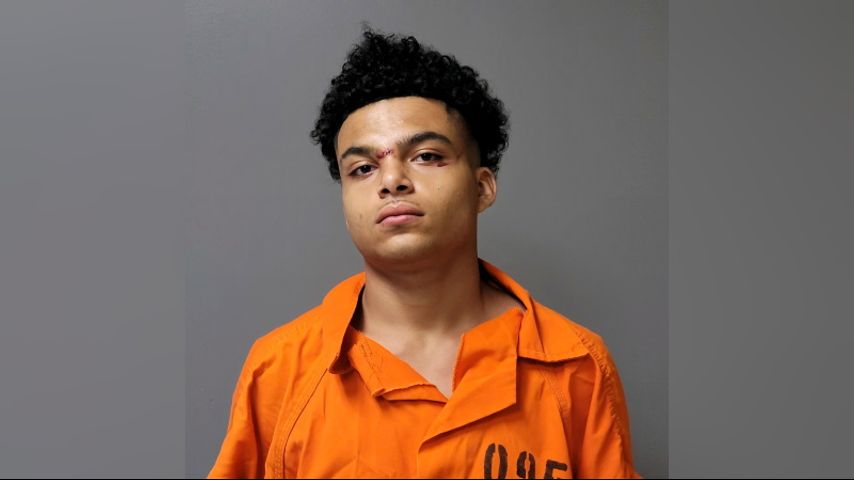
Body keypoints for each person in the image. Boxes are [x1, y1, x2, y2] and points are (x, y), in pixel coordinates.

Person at [209, 27, 641, 479]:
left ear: (481, 187)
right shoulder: (279, 369)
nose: (391, 181)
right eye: (362, 168)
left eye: (427, 156)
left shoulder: (578, 365)